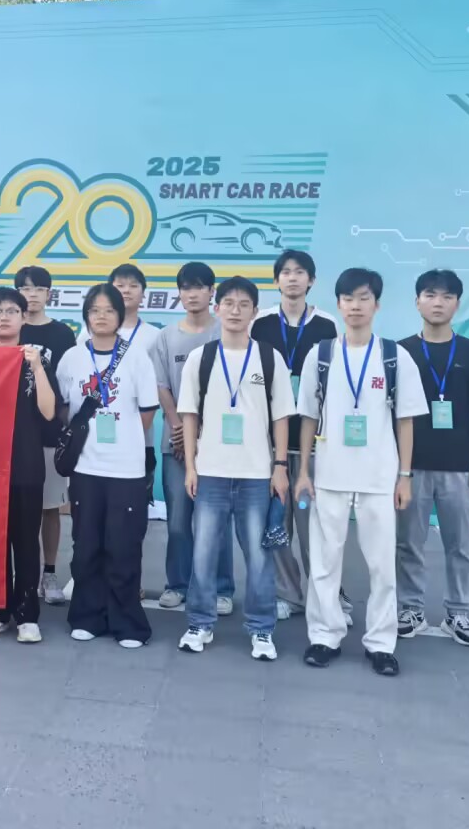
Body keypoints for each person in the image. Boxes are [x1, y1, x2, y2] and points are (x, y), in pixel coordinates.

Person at [295, 268, 428, 676]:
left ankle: (381, 643)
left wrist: (405, 475)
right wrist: (303, 471)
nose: (355, 306)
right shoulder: (321, 355)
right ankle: (324, 636)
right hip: (329, 475)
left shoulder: (394, 356)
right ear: (337, 304)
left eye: (363, 298)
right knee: (324, 563)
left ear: (377, 304)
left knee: (382, 565)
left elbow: (405, 420)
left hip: (379, 477)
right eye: (348, 298)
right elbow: (307, 417)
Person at [177, 277, 294, 660]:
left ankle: (261, 630)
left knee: (259, 558)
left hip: (256, 474)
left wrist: (280, 466)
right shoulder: (201, 358)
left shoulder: (269, 358)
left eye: (244, 304)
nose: (235, 310)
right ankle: (200, 623)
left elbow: (281, 417)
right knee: (204, 553)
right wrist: (191, 466)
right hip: (210, 472)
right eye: (228, 303)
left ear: (255, 312)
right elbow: (189, 416)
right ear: (217, 308)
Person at [57, 283, 159, 648]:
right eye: (94, 310)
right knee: (86, 545)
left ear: (120, 315)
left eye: (109, 310)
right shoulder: (72, 358)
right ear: (86, 315)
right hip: (85, 469)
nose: (101, 316)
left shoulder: (136, 357)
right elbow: (65, 409)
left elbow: (146, 413)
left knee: (123, 547)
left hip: (125, 470)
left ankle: (127, 623)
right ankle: (87, 616)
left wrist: (121, 440)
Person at [396, 269, 469, 647]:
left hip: (459, 465)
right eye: (430, 295)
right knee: (409, 544)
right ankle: (411, 609)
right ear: (417, 301)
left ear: (457, 304)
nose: (438, 303)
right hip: (412, 465)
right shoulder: (400, 351)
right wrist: (398, 469)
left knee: (461, 544)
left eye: (447, 297)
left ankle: (459, 612)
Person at [250, 249, 340, 623]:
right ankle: (287, 593)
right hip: (269, 443)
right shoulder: (260, 324)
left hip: (313, 443)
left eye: (300, 272)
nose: (292, 278)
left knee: (317, 526)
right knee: (278, 523)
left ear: (311, 280)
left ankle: (328, 595)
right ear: (276, 280)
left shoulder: (327, 326)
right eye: (285, 272)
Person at [0, 287, 60, 644]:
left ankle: (27, 615)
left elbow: (49, 412)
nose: (5, 316)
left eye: (12, 310)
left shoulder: (37, 360)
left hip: (25, 466)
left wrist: (36, 367)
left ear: (24, 318)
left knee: (25, 542)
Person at [152, 262, 234, 615]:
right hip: (176, 444)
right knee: (178, 520)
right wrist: (178, 427)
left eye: (200, 287)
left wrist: (202, 432)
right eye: (186, 287)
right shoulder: (166, 337)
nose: (192, 293)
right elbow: (162, 385)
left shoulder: (224, 333)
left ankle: (222, 588)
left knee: (218, 519)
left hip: (216, 443)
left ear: (212, 292)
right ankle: (177, 584)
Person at [15, 265, 77, 606]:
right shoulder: (9, 328)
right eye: (25, 289)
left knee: (50, 508)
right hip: (11, 437)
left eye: (38, 288)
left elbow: (67, 387)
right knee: (13, 509)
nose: (32, 295)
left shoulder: (62, 334)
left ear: (49, 294)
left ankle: (49, 572)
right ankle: (15, 573)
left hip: (49, 435)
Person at [80, 265, 163, 513]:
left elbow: (156, 387)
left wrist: (132, 433)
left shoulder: (154, 335)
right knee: (93, 510)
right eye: (120, 285)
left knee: (131, 512)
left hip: (138, 441)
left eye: (133, 285)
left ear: (143, 293)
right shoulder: (86, 335)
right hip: (92, 441)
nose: (126, 290)